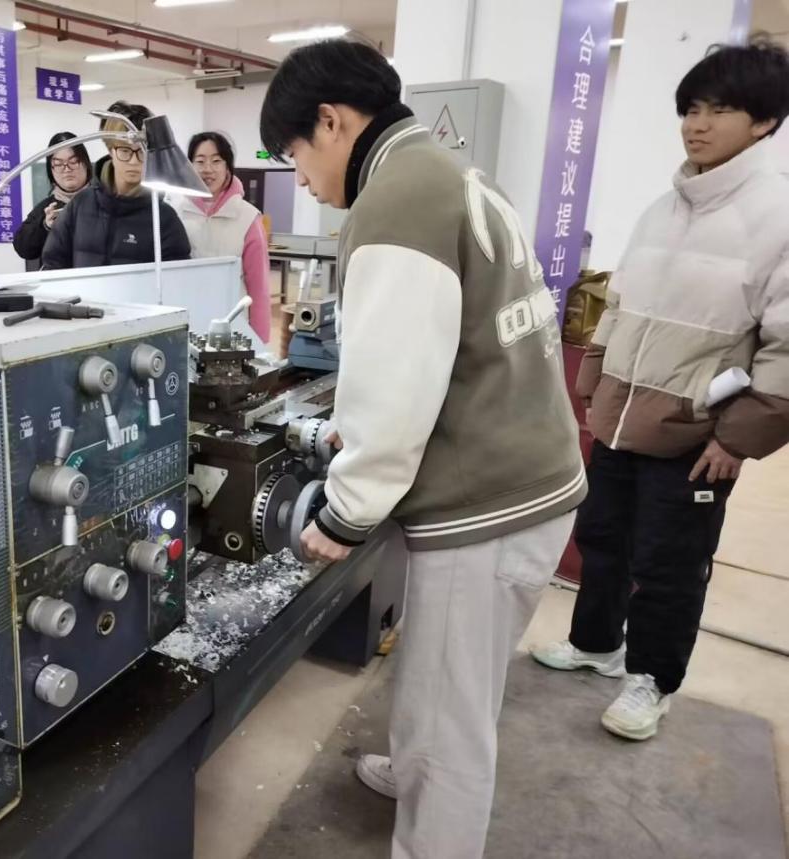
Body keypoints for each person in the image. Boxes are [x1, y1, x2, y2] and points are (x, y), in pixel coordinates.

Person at [260, 40, 586, 859]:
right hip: (527, 478)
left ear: (331, 122)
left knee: (453, 722)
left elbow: (394, 388)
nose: (303, 180)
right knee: (443, 675)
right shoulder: (450, 170)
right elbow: (448, 349)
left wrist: (346, 510)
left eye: (295, 154)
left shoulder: (394, 203)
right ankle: (412, 766)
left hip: (486, 505)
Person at [531, 41, 789, 740]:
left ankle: (653, 679)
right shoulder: (663, 208)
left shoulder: (777, 216)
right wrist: (592, 385)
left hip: (697, 433)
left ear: (765, 121)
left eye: (720, 110)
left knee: (669, 563)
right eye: (691, 109)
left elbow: (785, 347)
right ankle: (596, 645)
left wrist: (738, 439)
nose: (697, 125)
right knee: (603, 537)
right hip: (622, 415)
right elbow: (619, 305)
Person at [41, 101, 190, 270]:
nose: (134, 161)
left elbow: (178, 277)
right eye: (125, 151)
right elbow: (53, 264)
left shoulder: (163, 218)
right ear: (111, 150)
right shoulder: (80, 205)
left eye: (142, 151)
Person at [169, 132, 271, 342]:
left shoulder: (247, 218)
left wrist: (260, 342)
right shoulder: (175, 211)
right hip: (187, 322)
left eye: (216, 161)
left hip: (233, 325)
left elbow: (258, 288)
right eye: (200, 161)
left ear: (227, 167)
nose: (208, 169)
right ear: (190, 166)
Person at [13, 132, 91, 269]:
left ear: (85, 163)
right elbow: (23, 248)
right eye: (58, 164)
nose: (67, 169)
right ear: (51, 170)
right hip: (59, 281)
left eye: (73, 161)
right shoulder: (47, 209)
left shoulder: (105, 200)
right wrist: (45, 226)